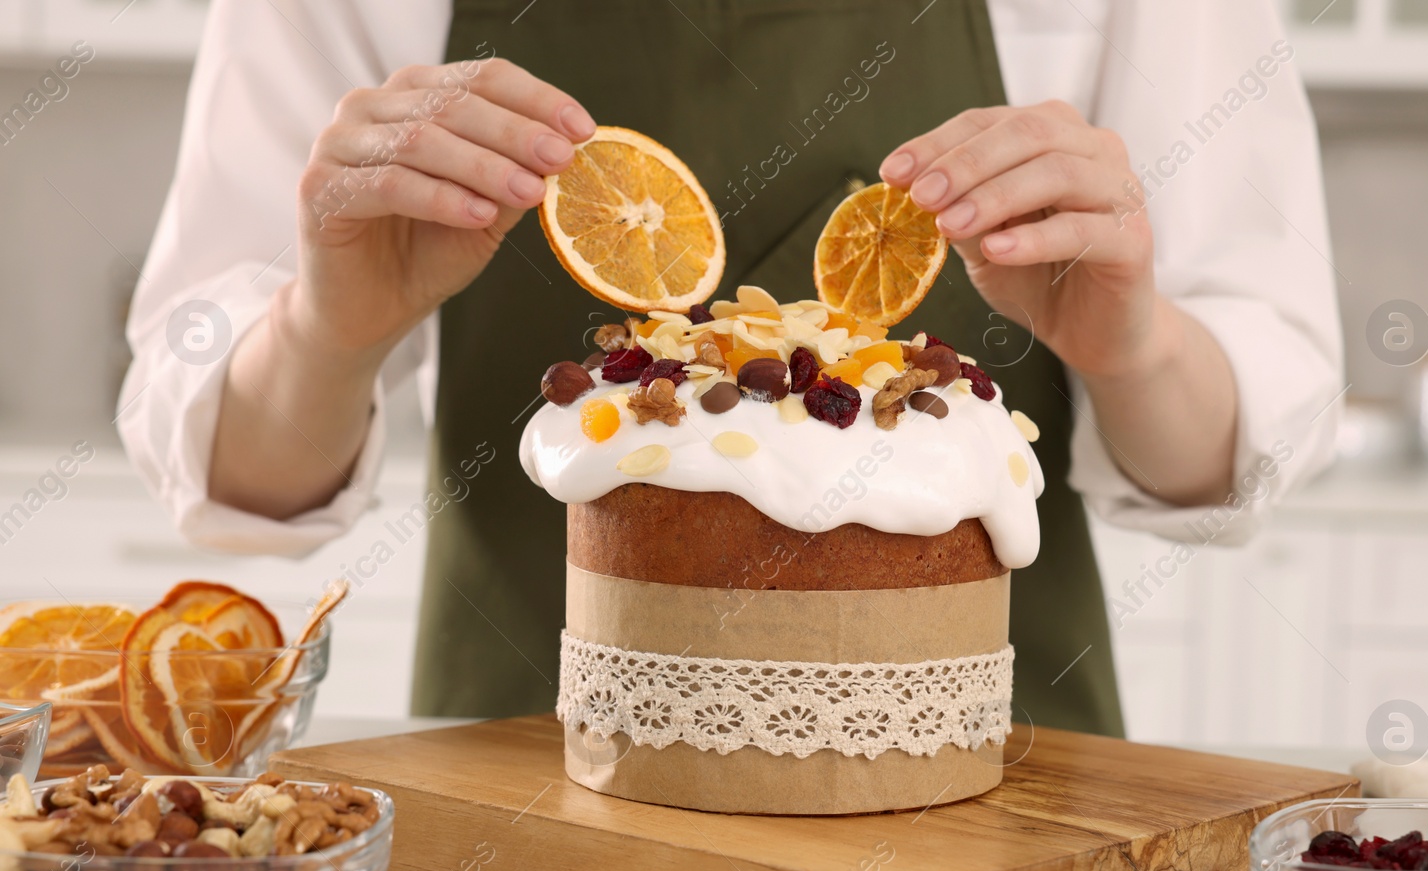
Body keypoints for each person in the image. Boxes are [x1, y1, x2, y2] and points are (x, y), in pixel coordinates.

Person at [119, 0, 1342, 734]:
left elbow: (1222, 465)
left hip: (986, 779)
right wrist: (330, 326)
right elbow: (240, 482)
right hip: (530, 757)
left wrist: (1128, 342)